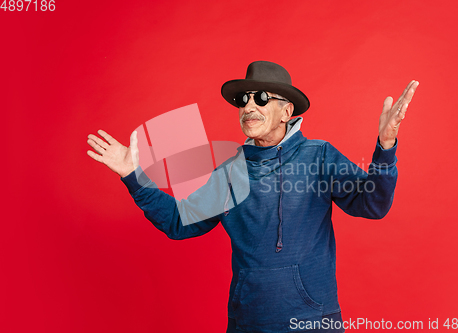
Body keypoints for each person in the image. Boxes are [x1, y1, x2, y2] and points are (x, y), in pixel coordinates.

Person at [87, 61, 419, 332]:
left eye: (261, 98)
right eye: (243, 99)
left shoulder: (319, 156)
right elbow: (179, 221)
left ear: (286, 110)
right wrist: (133, 174)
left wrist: (385, 147)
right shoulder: (230, 173)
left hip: (313, 322)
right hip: (248, 322)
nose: (249, 106)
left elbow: (373, 204)